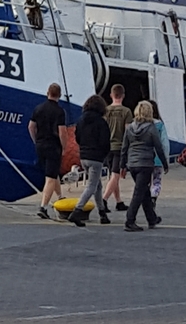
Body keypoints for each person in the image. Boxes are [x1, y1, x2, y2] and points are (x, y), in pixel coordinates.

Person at [119, 100, 169, 231]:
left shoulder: (129, 127)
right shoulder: (151, 128)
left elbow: (124, 147)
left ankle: (152, 218)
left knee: (144, 191)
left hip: (132, 164)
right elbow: (158, 147)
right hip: (145, 163)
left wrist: (122, 165)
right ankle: (130, 220)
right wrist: (165, 163)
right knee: (138, 193)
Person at [66, 95, 111, 227]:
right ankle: (77, 211)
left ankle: (102, 213)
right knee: (91, 186)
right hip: (96, 157)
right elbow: (105, 141)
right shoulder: (101, 122)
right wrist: (104, 155)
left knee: (97, 185)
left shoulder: (81, 120)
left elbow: (78, 138)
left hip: (84, 156)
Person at [28, 83, 69, 219]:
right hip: (53, 145)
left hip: (40, 144)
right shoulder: (59, 111)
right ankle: (43, 207)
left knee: (53, 171)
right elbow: (62, 132)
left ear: (47, 93)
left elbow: (31, 127)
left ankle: (60, 196)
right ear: (60, 95)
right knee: (50, 178)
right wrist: (64, 147)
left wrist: (36, 140)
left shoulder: (38, 108)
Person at [101, 84, 133, 212]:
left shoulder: (105, 111)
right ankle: (103, 200)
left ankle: (119, 201)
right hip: (120, 147)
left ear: (111, 95)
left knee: (113, 175)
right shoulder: (126, 112)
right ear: (123, 96)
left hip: (107, 146)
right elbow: (128, 132)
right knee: (116, 175)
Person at [149, 100, 170, 213]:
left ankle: (146, 200)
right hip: (157, 159)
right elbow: (164, 143)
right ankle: (153, 197)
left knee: (145, 182)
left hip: (144, 160)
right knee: (156, 181)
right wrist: (165, 159)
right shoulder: (160, 125)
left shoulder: (137, 125)